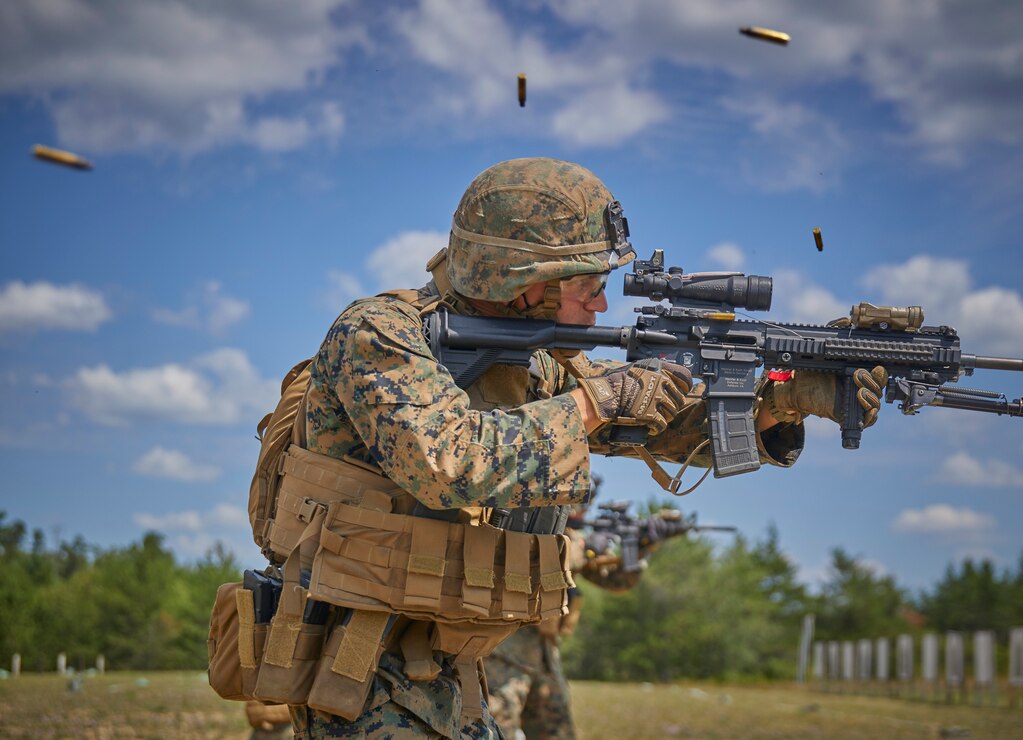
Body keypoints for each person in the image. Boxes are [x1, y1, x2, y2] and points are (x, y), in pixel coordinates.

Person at [281, 157, 886, 738]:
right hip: (360, 667)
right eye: (589, 285)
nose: (600, 305)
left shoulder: (532, 362)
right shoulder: (381, 334)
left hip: (446, 669)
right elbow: (448, 462)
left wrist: (784, 402)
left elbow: (656, 426)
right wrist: (599, 402)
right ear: (525, 281)